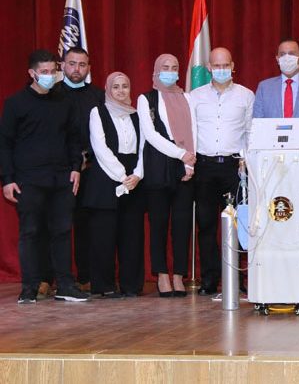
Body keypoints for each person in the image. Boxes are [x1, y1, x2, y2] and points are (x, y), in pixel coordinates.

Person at [0, 49, 89, 303]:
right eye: (44, 72)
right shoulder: (16, 103)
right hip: (28, 180)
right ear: (32, 73)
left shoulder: (64, 101)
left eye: (53, 71)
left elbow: (73, 139)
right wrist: (7, 179)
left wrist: (75, 167)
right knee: (30, 232)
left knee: (62, 231)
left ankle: (65, 285)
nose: (50, 76)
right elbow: (5, 144)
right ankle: (30, 287)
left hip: (61, 179)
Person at [190, 47, 254, 296]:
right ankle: (209, 280)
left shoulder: (246, 95)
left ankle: (237, 278)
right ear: (209, 67)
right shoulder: (195, 96)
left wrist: (246, 161)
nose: (221, 70)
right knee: (206, 226)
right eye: (216, 66)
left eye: (225, 65)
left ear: (233, 66)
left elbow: (249, 132)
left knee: (239, 225)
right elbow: (191, 131)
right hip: (204, 167)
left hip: (234, 167)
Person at [137, 54, 196, 297]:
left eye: (174, 68)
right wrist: (181, 154)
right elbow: (150, 135)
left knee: (182, 224)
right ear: (156, 70)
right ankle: (161, 275)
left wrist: (190, 164)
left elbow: (194, 131)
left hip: (185, 167)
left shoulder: (187, 97)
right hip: (158, 165)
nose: (170, 72)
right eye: (165, 68)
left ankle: (179, 274)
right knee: (159, 223)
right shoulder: (146, 99)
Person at [84, 72, 145, 298]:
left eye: (125, 86)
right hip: (106, 177)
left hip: (134, 179)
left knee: (132, 235)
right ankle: (105, 286)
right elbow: (100, 148)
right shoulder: (98, 112)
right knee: (104, 236)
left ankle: (131, 285)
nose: (121, 91)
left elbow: (144, 148)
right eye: (116, 87)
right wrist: (122, 176)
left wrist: (137, 174)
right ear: (108, 90)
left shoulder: (137, 115)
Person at [58, 47, 104, 292]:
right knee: (57, 225)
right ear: (62, 65)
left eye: (82, 64)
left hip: (93, 169)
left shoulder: (98, 96)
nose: (77, 69)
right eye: (72, 63)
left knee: (87, 226)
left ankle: (85, 277)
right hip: (60, 170)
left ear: (89, 68)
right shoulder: (51, 95)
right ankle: (50, 279)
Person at [252, 39, 299, 118]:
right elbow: (258, 120)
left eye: (291, 54)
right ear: (277, 59)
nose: (287, 58)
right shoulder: (264, 88)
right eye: (282, 54)